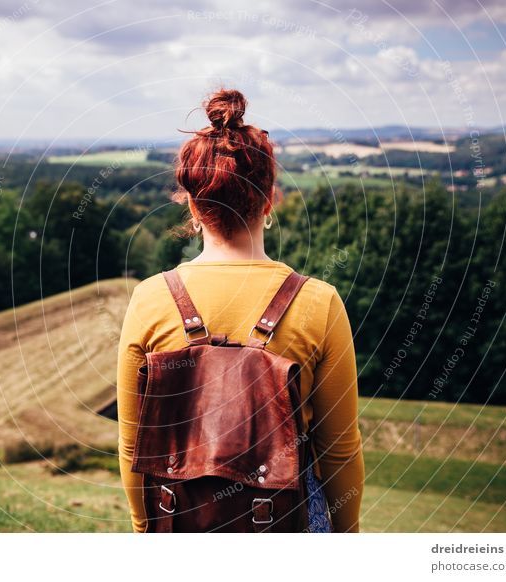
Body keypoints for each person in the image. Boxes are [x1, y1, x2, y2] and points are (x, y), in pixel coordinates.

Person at [116, 88, 364, 533]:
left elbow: (134, 445)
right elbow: (339, 450)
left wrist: (143, 532)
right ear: (269, 200)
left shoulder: (150, 299)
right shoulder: (320, 302)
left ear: (193, 206)